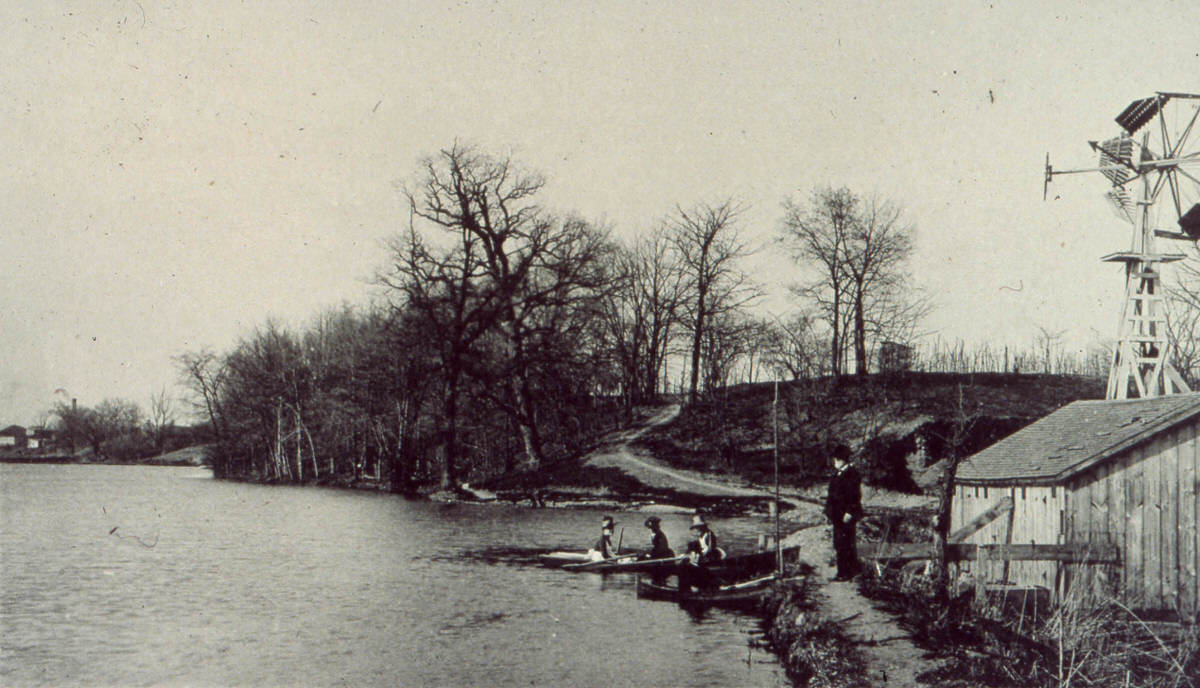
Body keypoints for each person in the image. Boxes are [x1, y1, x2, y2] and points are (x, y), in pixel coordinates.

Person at [825, 444, 863, 581]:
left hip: (846, 515)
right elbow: (831, 496)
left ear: (842, 460)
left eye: (836, 459)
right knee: (839, 543)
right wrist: (828, 512)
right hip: (837, 515)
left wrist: (850, 512)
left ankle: (846, 573)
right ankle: (844, 571)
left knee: (846, 543)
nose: (834, 462)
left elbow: (855, 496)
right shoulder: (837, 474)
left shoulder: (852, 474)